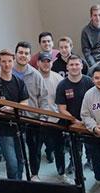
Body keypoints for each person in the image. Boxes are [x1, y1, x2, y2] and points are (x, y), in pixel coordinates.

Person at [14, 42, 50, 182]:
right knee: (18, 151)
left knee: (34, 149)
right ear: (16, 54)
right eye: (20, 52)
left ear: (30, 57)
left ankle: (34, 174)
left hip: (33, 119)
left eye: (26, 53)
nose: (23, 55)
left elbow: (44, 98)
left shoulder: (35, 75)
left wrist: (43, 117)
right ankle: (19, 176)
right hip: (13, 119)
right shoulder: (7, 73)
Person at [55, 55, 95, 176]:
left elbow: (95, 102)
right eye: (71, 65)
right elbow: (61, 109)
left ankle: (93, 166)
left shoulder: (89, 81)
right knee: (75, 151)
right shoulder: (62, 85)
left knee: (91, 148)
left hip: (90, 123)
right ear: (67, 67)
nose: (74, 67)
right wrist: (76, 121)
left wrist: (88, 121)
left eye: (77, 64)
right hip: (72, 124)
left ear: (82, 66)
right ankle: (77, 172)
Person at [0, 49, 29, 180]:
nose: (7, 64)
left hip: (20, 126)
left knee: (21, 161)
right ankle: (13, 185)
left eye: (9, 61)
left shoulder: (18, 81)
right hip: (3, 129)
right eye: (3, 61)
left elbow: (25, 102)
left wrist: (12, 108)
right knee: (12, 163)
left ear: (13, 62)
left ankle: (19, 184)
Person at [37, 52, 67, 182]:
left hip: (55, 120)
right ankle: (34, 175)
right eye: (43, 61)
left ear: (52, 63)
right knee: (37, 149)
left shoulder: (58, 79)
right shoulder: (33, 77)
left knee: (59, 149)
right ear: (38, 63)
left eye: (48, 61)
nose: (46, 64)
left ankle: (61, 173)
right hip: (37, 120)